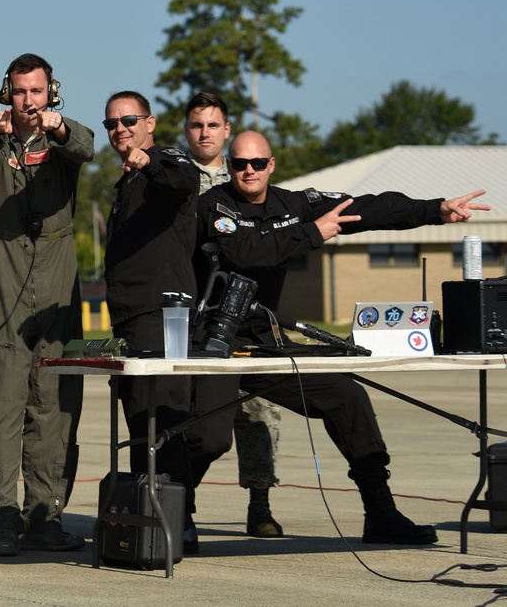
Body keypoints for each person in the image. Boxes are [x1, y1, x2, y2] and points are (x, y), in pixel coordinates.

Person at [193, 130, 490, 545]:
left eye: (257, 163)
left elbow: (367, 208)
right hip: (214, 345)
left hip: (266, 343)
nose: (248, 171)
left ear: (271, 165)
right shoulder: (214, 205)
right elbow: (245, 252)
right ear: (229, 166)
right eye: (240, 164)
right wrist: (313, 233)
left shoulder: (292, 204)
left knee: (346, 397)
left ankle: (380, 512)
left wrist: (436, 209)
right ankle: (178, 512)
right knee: (208, 438)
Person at [0, 53, 94, 557]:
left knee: (56, 403)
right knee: (1, 403)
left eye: (36, 92)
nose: (28, 101)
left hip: (59, 278)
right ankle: (4, 517)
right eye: (19, 92)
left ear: (51, 93)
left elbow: (86, 147)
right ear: (6, 93)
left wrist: (58, 130)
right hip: (3, 275)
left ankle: (46, 515)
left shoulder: (61, 140)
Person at [101, 91, 201, 552]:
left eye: (128, 120)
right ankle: (152, 521)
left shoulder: (164, 160)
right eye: (111, 124)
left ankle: (175, 523)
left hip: (162, 317)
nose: (119, 129)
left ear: (150, 122)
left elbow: (184, 181)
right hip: (132, 319)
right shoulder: (126, 181)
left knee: (161, 422)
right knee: (142, 423)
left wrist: (148, 162)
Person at [183, 93, 284, 538]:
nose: (205, 132)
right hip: (196, 317)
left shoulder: (247, 170)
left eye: (213, 125)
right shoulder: (173, 176)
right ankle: (181, 504)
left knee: (260, 415)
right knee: (200, 424)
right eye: (196, 125)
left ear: (227, 130)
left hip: (250, 316)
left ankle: (259, 503)